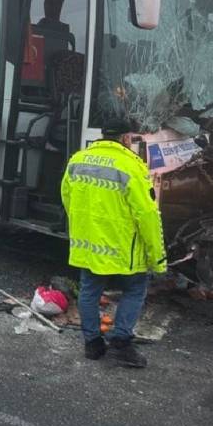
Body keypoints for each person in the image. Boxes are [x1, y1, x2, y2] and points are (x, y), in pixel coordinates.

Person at [61, 117, 166, 368]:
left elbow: (67, 198)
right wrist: (157, 257)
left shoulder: (77, 160)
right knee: (135, 288)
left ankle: (92, 344)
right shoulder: (131, 166)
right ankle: (121, 342)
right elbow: (148, 215)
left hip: (88, 244)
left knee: (89, 291)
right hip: (123, 248)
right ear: (126, 138)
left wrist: (84, 228)